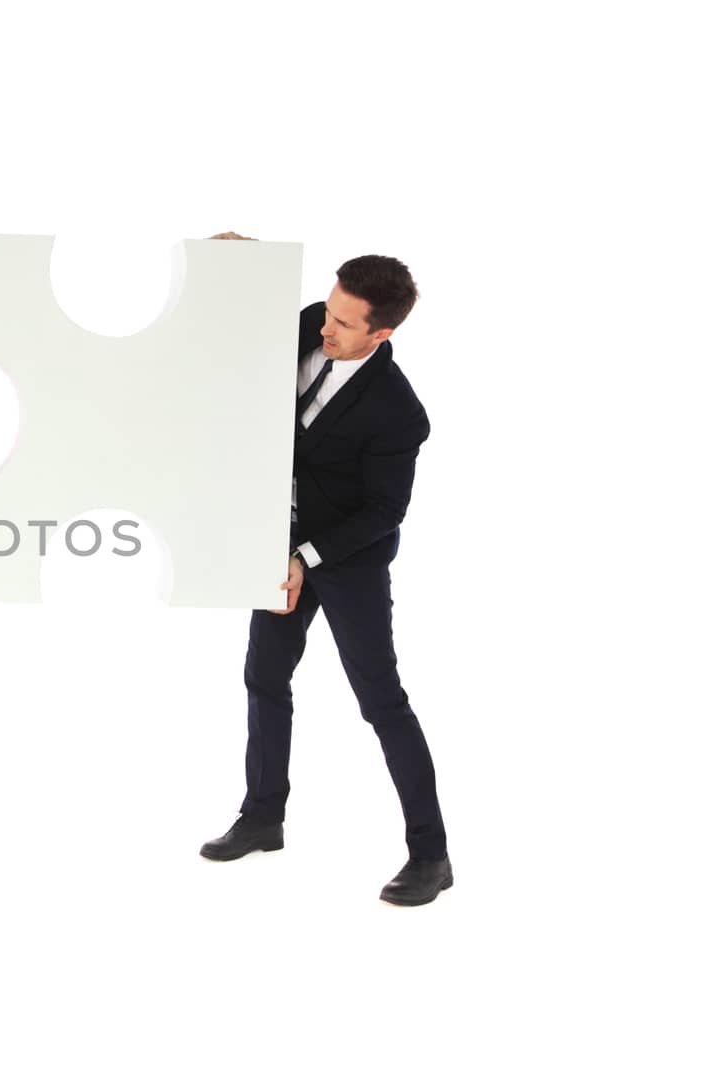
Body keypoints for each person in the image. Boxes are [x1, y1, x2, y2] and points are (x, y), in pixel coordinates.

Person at [199, 238, 451, 906]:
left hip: (346, 560)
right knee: (264, 674)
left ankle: (431, 854)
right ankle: (262, 816)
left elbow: (384, 511)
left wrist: (305, 558)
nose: (324, 327)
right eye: (328, 311)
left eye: (343, 322)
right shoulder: (314, 318)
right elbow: (241, 332)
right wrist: (231, 261)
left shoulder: (399, 412)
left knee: (381, 701)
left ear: (383, 332)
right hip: (279, 539)